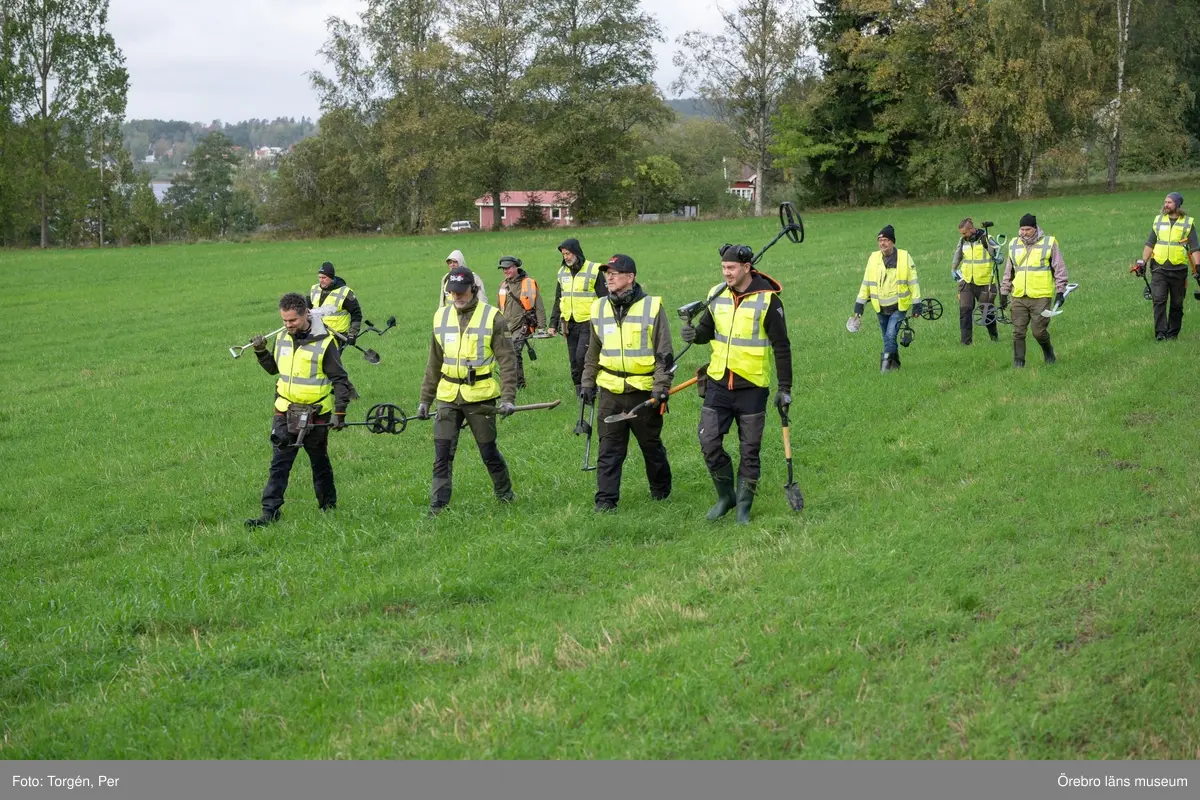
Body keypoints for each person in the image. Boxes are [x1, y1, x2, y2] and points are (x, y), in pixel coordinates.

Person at [681, 244, 792, 525]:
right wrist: (694, 334)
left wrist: (785, 388)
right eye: (723, 268)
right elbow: (707, 331)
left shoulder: (769, 301)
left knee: (749, 450)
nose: (726, 273)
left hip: (752, 387)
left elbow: (782, 346)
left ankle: (743, 507)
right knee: (708, 441)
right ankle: (726, 497)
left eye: (730, 268)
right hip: (718, 382)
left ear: (746, 267)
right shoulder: (716, 295)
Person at [418, 266, 518, 516]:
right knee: (442, 453)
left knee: (488, 450)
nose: (457, 296)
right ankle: (438, 507)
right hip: (448, 396)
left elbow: (507, 360)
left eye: (462, 291)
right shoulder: (440, 317)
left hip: (480, 397)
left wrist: (507, 398)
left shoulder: (493, 317)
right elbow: (434, 362)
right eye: (452, 292)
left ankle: (505, 495)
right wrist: (425, 400)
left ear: (473, 289)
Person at [246, 292, 353, 527]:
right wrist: (261, 352)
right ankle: (269, 513)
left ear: (306, 314)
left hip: (316, 414)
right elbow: (275, 370)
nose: (287, 325)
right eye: (284, 320)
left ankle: (328, 507)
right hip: (284, 410)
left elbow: (340, 380)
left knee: (319, 462)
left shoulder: (326, 343)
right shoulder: (283, 338)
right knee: (279, 463)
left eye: (292, 320)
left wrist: (340, 413)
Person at [579, 254, 673, 512]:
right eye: (606, 273)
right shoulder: (598, 308)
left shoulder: (652, 307)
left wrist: (660, 388)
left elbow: (664, 353)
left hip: (643, 392)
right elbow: (592, 351)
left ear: (630, 277)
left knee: (650, 446)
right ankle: (606, 501)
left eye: (614, 273)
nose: (608, 277)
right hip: (609, 391)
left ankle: (661, 491)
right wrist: (587, 382)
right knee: (609, 449)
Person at [999, 213, 1069, 367]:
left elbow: (1059, 269)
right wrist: (1004, 292)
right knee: (1018, 332)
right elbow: (1009, 271)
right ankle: (1019, 363)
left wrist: (1060, 291)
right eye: (1022, 229)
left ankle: (1048, 350)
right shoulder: (1013, 244)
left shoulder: (1049, 243)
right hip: (1018, 295)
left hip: (1041, 296)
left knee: (1039, 332)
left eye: (1028, 229)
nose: (1024, 232)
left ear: (1035, 228)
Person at [851, 225, 923, 372]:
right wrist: (859, 307)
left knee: (890, 335)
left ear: (892, 242)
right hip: (880, 308)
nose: (882, 243)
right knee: (887, 337)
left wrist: (917, 304)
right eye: (880, 240)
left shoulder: (904, 257)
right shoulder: (873, 258)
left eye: (885, 240)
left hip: (899, 307)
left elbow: (913, 282)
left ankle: (886, 369)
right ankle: (895, 365)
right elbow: (866, 283)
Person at [1136, 192, 1199, 340]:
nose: (1166, 205)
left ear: (1177, 205)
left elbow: (1195, 247)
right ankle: (1160, 333)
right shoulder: (1158, 221)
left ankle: (1172, 333)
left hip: (1179, 269)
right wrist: (1143, 262)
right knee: (1158, 299)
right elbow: (1149, 244)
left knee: (1177, 304)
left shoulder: (1187, 223)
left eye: (1169, 202)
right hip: (1159, 268)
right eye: (1165, 202)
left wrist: (1198, 266)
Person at [548, 238, 608, 396]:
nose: (566, 257)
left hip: (589, 323)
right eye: (563, 254)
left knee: (583, 358)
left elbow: (605, 298)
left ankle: (592, 389)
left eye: (568, 253)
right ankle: (581, 395)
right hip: (569, 324)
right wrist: (553, 324)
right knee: (574, 362)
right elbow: (558, 299)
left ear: (576, 252)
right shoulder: (562, 273)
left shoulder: (594, 270)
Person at [496, 255, 546, 390]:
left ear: (515, 267)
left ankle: (519, 384)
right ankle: (513, 383)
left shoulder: (528, 283)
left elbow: (539, 306)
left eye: (508, 268)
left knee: (514, 352)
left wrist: (541, 327)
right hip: (506, 326)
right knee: (506, 354)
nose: (506, 271)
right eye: (504, 269)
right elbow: (498, 308)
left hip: (524, 325)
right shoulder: (503, 285)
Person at [951, 218, 999, 345]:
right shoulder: (963, 241)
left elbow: (998, 253)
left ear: (972, 229)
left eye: (964, 233)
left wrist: (998, 257)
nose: (963, 235)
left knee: (986, 311)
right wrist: (953, 268)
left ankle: (994, 336)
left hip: (985, 282)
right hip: (966, 281)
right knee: (965, 310)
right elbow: (958, 255)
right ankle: (966, 343)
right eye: (961, 233)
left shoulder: (986, 238)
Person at [309, 262, 362, 348]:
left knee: (330, 361)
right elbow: (305, 309)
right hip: (317, 334)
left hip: (337, 336)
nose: (321, 280)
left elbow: (356, 313)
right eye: (319, 277)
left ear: (331, 277)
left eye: (324, 277)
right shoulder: (314, 289)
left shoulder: (345, 292)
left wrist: (352, 333)